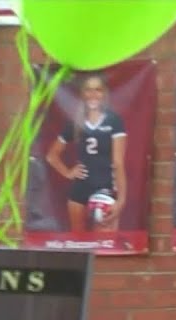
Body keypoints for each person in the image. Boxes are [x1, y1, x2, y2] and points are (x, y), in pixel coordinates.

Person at [45, 74, 126, 234]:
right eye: (88, 90)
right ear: (82, 94)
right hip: (79, 190)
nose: (93, 95)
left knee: (104, 246)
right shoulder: (75, 122)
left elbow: (118, 163)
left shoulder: (114, 121)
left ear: (104, 94)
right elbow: (51, 156)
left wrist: (121, 200)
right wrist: (68, 172)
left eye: (98, 90)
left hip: (105, 189)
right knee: (79, 245)